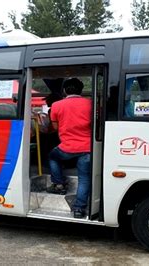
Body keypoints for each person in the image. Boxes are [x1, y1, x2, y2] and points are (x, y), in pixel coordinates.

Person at [47, 78, 92, 219]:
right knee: (84, 178)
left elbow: (55, 127)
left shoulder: (56, 105)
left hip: (66, 147)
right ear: (81, 90)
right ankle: (78, 209)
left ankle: (59, 184)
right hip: (88, 148)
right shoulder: (91, 103)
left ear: (65, 91)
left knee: (52, 156)